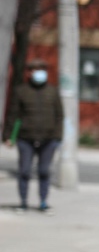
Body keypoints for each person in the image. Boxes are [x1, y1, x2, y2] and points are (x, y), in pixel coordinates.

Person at [2, 59, 63, 213]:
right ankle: (23, 202)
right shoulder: (21, 91)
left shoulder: (53, 91)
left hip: (48, 139)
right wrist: (8, 136)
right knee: (24, 171)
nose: (39, 73)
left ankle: (43, 201)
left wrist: (57, 137)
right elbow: (13, 115)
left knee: (44, 171)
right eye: (35, 70)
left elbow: (59, 115)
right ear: (29, 73)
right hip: (25, 138)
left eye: (42, 69)